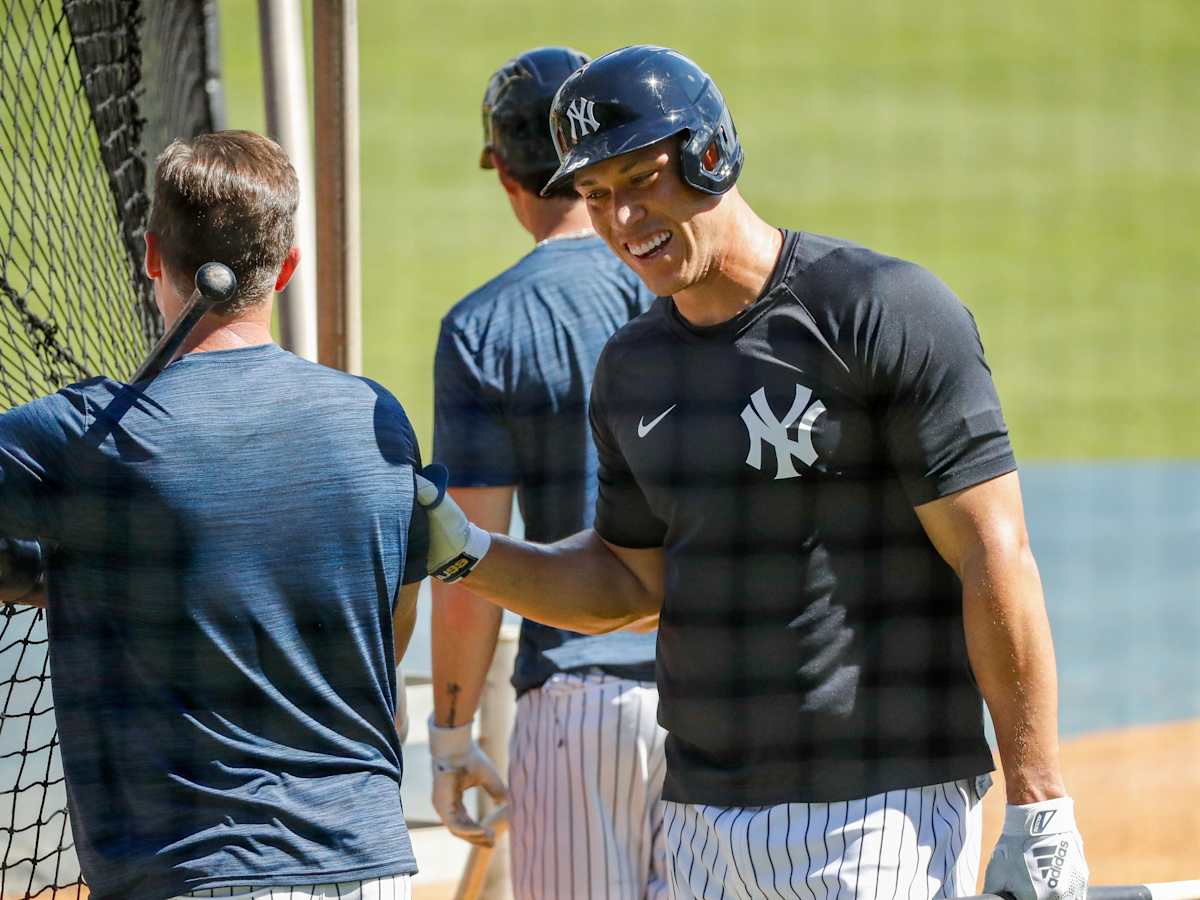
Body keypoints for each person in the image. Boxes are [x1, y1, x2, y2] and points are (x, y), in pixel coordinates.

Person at [416, 45, 1088, 900]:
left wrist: (1040, 806)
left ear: (710, 154)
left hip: (873, 809)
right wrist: (464, 549)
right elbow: (626, 583)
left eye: (640, 179)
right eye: (597, 196)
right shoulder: (632, 369)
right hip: (698, 818)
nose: (623, 219)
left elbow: (994, 551)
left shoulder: (878, 310)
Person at [0, 130, 425, 900]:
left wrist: (50, 571)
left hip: (197, 875)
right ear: (287, 266)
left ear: (152, 253)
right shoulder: (377, 418)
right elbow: (394, 604)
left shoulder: (86, 436)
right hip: (371, 864)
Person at [427, 46, 667, 900]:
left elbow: (466, 557)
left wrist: (452, 734)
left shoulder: (483, 328)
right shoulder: (690, 284)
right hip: (721, 690)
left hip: (577, 710)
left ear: (508, 179)